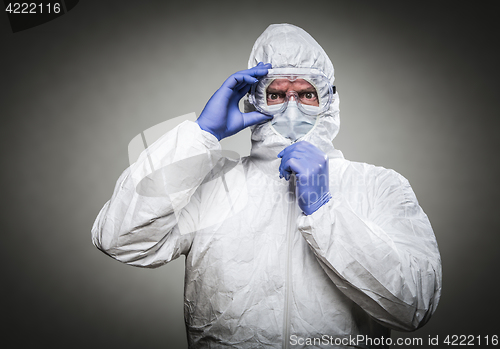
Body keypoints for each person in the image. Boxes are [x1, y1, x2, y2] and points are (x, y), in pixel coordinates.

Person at [92, 24, 442, 348]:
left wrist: (325, 210)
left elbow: (413, 307)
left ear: (330, 102)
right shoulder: (213, 184)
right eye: (275, 95)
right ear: (253, 101)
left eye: (306, 94)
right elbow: (121, 239)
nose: (292, 108)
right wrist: (201, 135)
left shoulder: (378, 186)